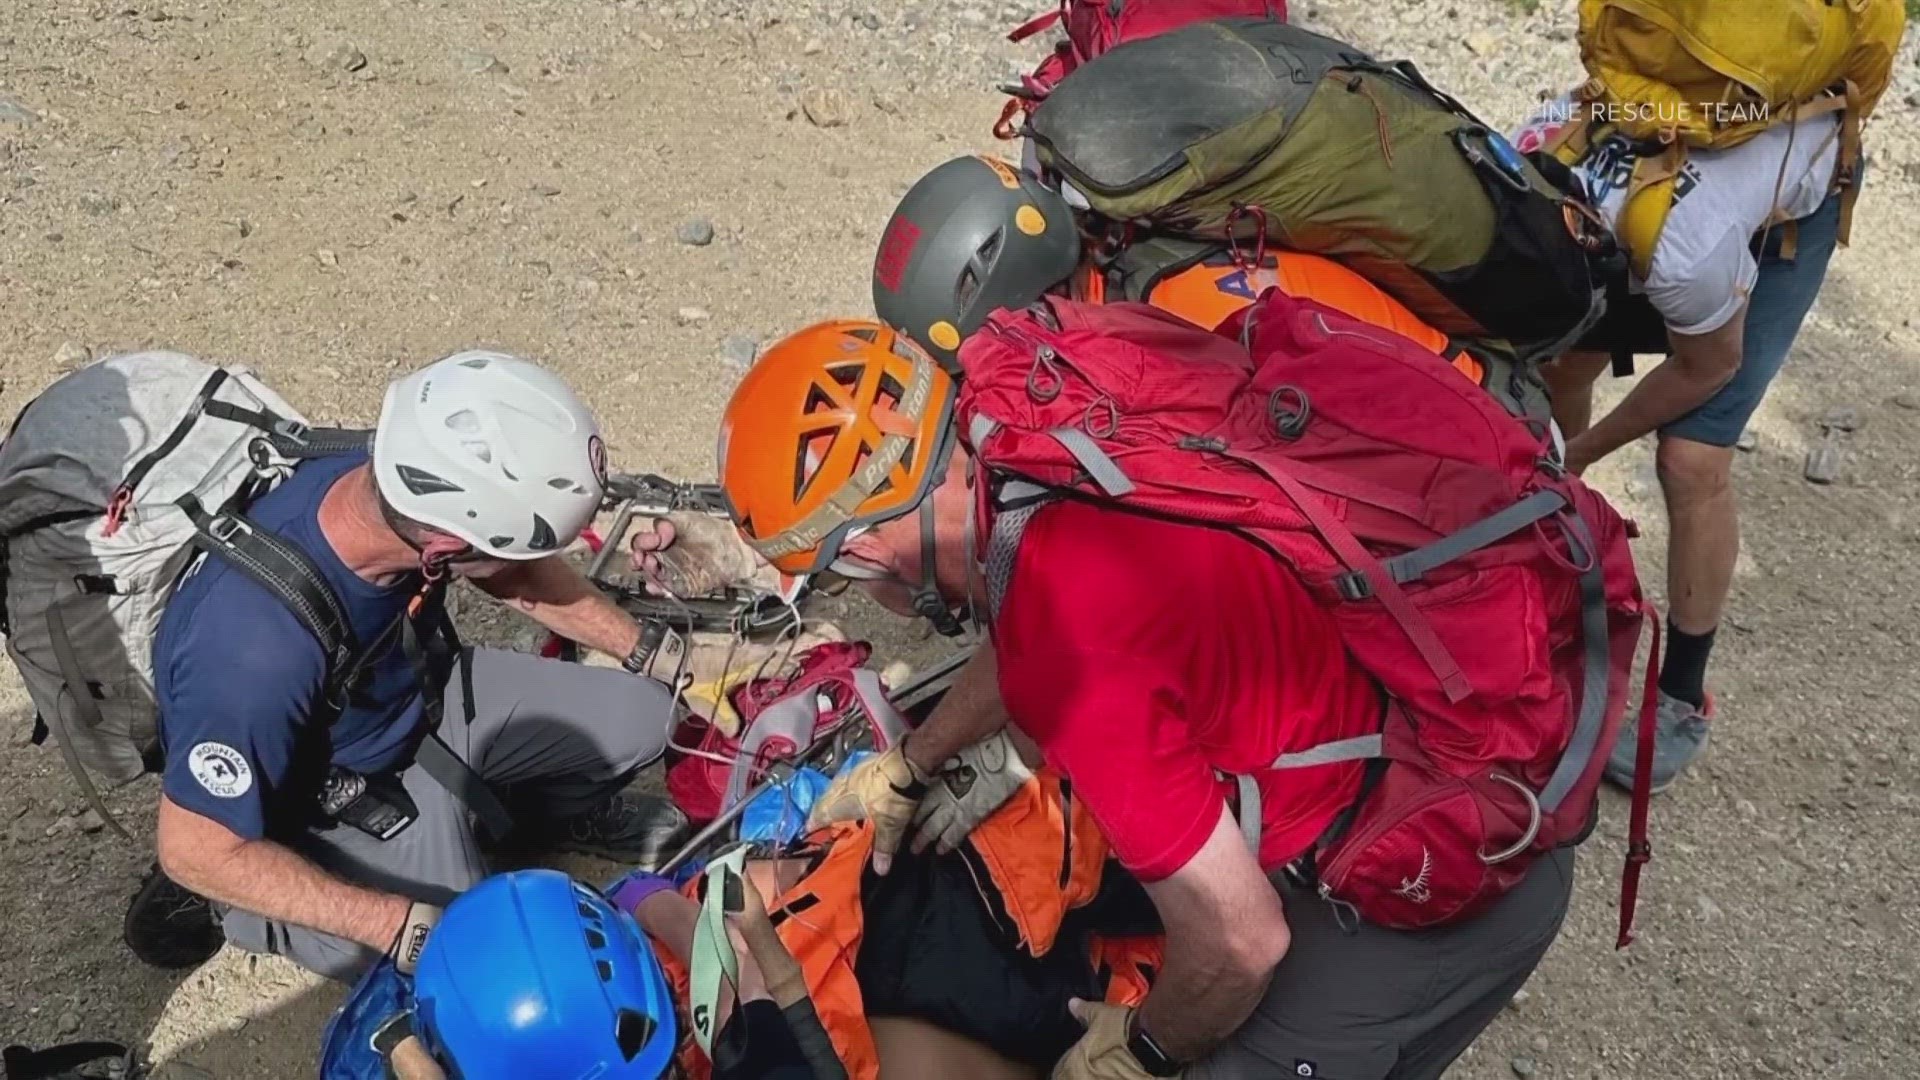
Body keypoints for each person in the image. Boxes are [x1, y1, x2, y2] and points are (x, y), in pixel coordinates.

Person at [687, 320, 1579, 1080]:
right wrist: (911, 765)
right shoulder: (1038, 429)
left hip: (1438, 878)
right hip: (1452, 736)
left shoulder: (1078, 653)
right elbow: (1035, 624)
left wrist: (1140, 1052)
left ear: (868, 556)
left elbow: (1240, 944)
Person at [138, 350, 691, 983]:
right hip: (335, 797)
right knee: (482, 962)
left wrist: (655, 653)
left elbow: (505, 564)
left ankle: (524, 813)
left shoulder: (395, 473)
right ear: (445, 550)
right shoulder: (252, 654)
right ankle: (239, 912)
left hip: (425, 703)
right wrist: (397, 926)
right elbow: (194, 848)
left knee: (653, 717)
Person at [1510, 90, 1860, 793]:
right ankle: (1556, 570)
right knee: (1562, 360)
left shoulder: (1686, 251)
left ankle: (1682, 695)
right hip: (1662, 188)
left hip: (1780, 213)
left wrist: (1577, 454)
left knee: (1691, 459)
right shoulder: (1534, 150)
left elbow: (1707, 365)